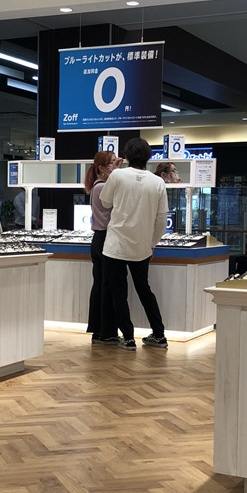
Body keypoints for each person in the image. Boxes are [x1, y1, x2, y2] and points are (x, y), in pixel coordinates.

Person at [100, 137, 169, 351]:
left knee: (118, 292)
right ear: (148, 157)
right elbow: (161, 219)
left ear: (126, 155)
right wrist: (152, 243)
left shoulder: (117, 175)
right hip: (142, 247)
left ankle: (128, 337)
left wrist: (113, 173)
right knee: (144, 290)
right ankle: (159, 334)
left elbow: (105, 202)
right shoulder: (158, 182)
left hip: (115, 245)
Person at [84, 150, 122, 345]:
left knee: (102, 284)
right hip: (104, 239)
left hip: (101, 239)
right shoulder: (102, 188)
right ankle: (105, 331)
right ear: (101, 168)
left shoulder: (98, 186)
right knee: (105, 286)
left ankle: (100, 331)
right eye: (112, 163)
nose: (116, 166)